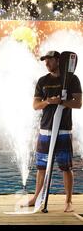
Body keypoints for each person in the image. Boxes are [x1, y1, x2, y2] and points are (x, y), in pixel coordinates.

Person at [27, 50, 82, 212]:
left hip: (63, 130)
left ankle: (68, 201)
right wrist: (49, 101)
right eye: (45, 61)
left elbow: (78, 103)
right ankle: (36, 197)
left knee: (66, 167)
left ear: (59, 60)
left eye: (49, 60)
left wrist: (63, 102)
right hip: (45, 130)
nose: (46, 63)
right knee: (41, 167)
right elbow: (35, 106)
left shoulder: (72, 80)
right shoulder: (42, 81)